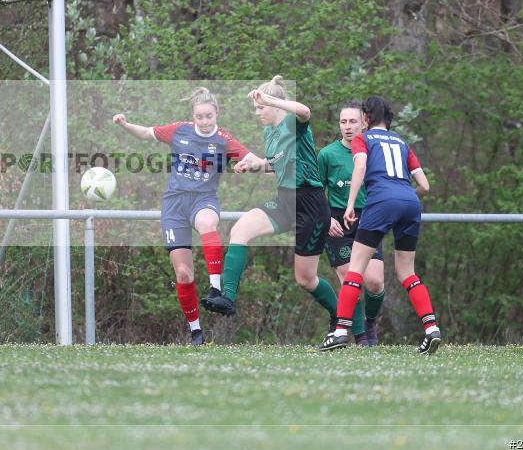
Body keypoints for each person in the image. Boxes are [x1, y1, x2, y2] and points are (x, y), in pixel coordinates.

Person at [113, 87, 257, 346]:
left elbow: (252, 159)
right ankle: (196, 332)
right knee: (183, 274)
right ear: (192, 116)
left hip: (204, 199)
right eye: (199, 117)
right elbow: (146, 133)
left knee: (206, 222)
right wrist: (124, 124)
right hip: (174, 205)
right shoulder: (179, 130)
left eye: (208, 117)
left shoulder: (224, 139)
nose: (204, 122)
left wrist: (262, 164)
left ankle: (216, 289)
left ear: (217, 115)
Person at [201, 76, 337, 335]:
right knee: (240, 230)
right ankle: (227, 297)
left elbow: (306, 112)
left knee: (305, 279)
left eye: (261, 107)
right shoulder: (269, 132)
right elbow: (277, 164)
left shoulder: (291, 122)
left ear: (275, 105)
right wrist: (257, 165)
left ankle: (344, 320)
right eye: (256, 108)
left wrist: (272, 99)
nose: (258, 112)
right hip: (285, 200)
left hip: (310, 203)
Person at [319, 96, 440, 354]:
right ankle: (431, 329)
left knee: (356, 269)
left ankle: (340, 332)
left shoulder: (364, 139)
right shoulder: (401, 142)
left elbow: (360, 166)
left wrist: (350, 204)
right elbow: (426, 186)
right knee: (407, 272)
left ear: (366, 117)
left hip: (380, 202)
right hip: (410, 201)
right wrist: (405, 199)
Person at [317, 102, 385, 346]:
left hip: (369, 219)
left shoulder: (374, 150)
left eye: (353, 121)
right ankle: (362, 338)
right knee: (349, 280)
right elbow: (316, 192)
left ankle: (370, 322)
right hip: (337, 221)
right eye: (343, 122)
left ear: (364, 122)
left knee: (375, 282)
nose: (347, 127)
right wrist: (327, 219)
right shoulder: (327, 154)